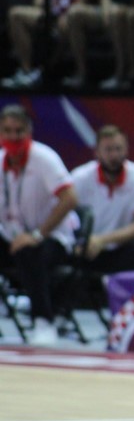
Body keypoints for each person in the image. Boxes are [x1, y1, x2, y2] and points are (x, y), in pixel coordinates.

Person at [0, 104, 79, 346]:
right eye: (7, 130)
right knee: (21, 248)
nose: (13, 136)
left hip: (52, 239)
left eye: (19, 130)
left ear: (29, 131)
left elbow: (70, 197)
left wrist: (37, 234)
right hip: (11, 237)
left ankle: (43, 321)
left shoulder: (44, 158)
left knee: (29, 252)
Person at [70, 125, 134, 272]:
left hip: (125, 249)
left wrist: (103, 240)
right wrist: (83, 242)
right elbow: (66, 218)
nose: (114, 155)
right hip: (88, 250)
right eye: (108, 150)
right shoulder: (79, 178)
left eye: (118, 149)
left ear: (126, 150)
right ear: (97, 152)